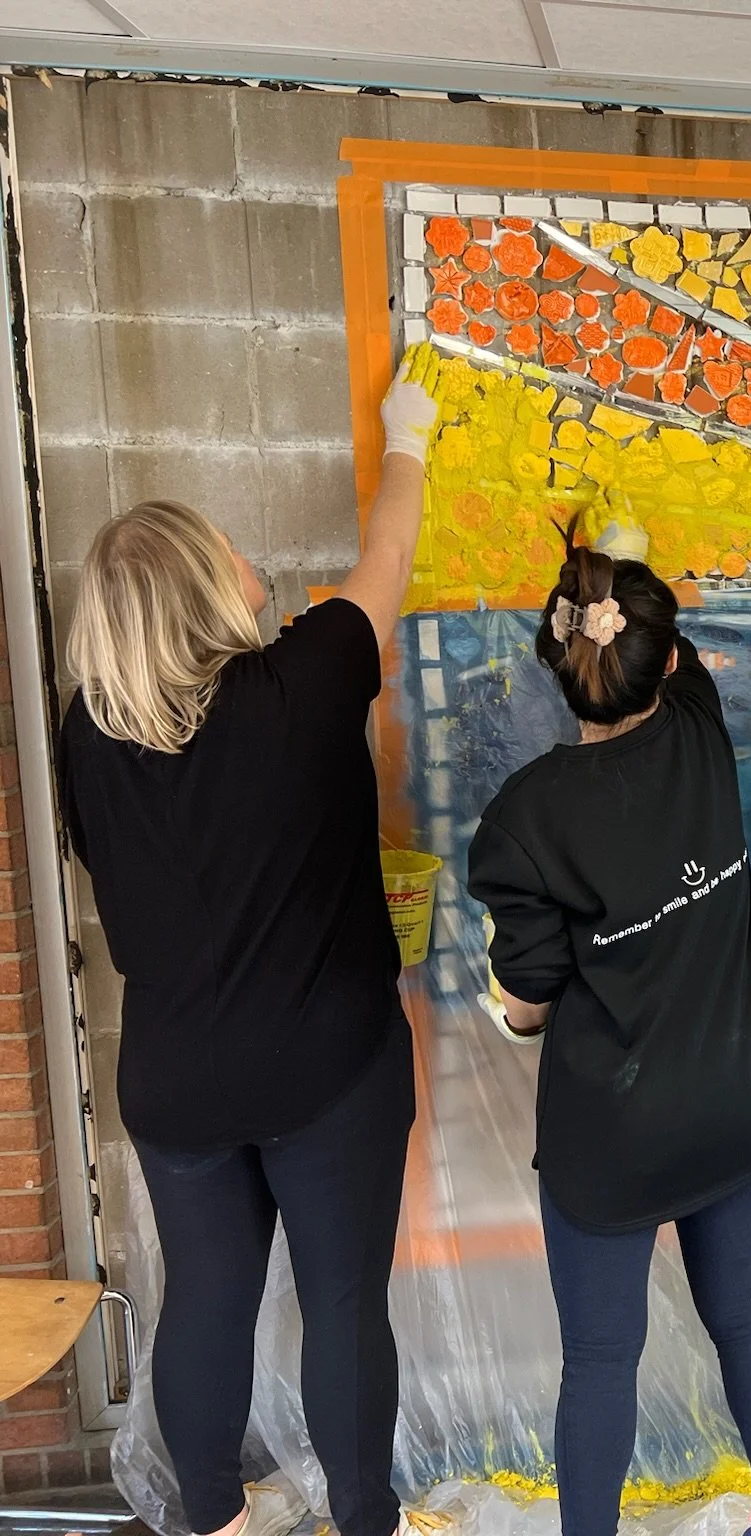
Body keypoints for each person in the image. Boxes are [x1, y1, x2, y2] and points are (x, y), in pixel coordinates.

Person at [56, 345, 442, 1536]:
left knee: (207, 1303)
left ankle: (213, 1518)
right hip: (326, 1067)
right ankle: (363, 1520)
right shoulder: (306, 678)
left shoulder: (84, 734)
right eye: (221, 545)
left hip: (175, 1081)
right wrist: (409, 438)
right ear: (202, 586)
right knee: (340, 1303)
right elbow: (388, 553)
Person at [466, 532, 751, 1536]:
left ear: (553, 660)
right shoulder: (703, 732)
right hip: (731, 1108)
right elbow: (677, 653)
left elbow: (527, 1000)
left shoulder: (524, 819)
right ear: (661, 655)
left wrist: (518, 1008)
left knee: (602, 1361)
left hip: (608, 1134)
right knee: (747, 1316)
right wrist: (625, 566)